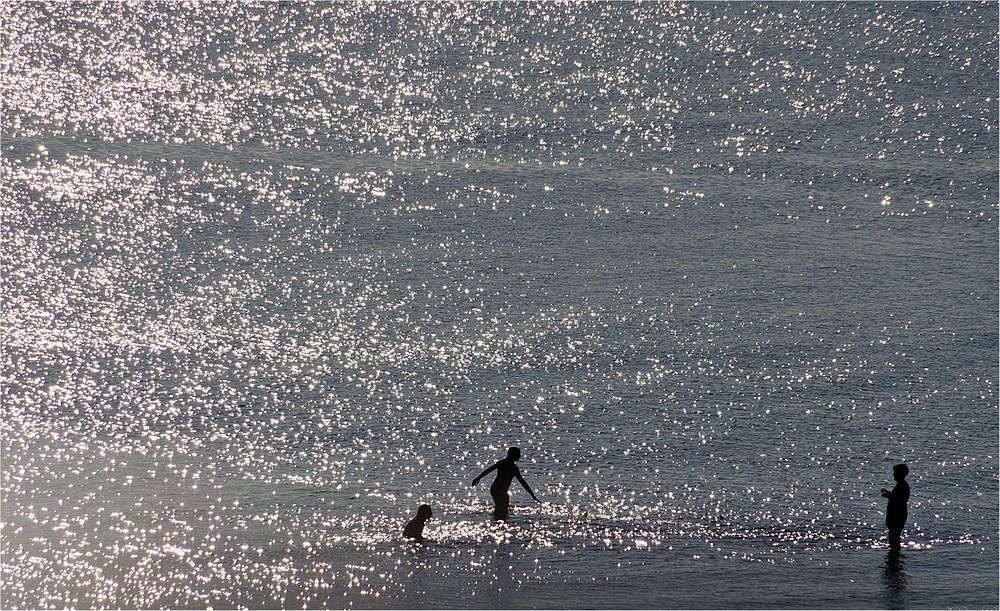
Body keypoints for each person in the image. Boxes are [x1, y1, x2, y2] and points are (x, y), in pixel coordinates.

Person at [471, 446, 540, 519]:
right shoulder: (513, 468)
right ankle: (500, 524)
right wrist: (532, 495)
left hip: (494, 489)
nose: (520, 456)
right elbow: (522, 482)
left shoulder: (502, 463)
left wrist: (478, 478)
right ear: (513, 455)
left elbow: (489, 470)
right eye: (518, 454)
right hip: (502, 491)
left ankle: (496, 522)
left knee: (499, 509)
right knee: (503, 511)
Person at [880, 463, 910, 552]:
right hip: (897, 515)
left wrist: (887, 495)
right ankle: (894, 557)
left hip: (897, 516)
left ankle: (894, 557)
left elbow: (898, 500)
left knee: (894, 538)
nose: (893, 474)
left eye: (895, 472)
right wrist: (888, 493)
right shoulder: (902, 485)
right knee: (894, 537)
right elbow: (896, 497)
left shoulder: (902, 486)